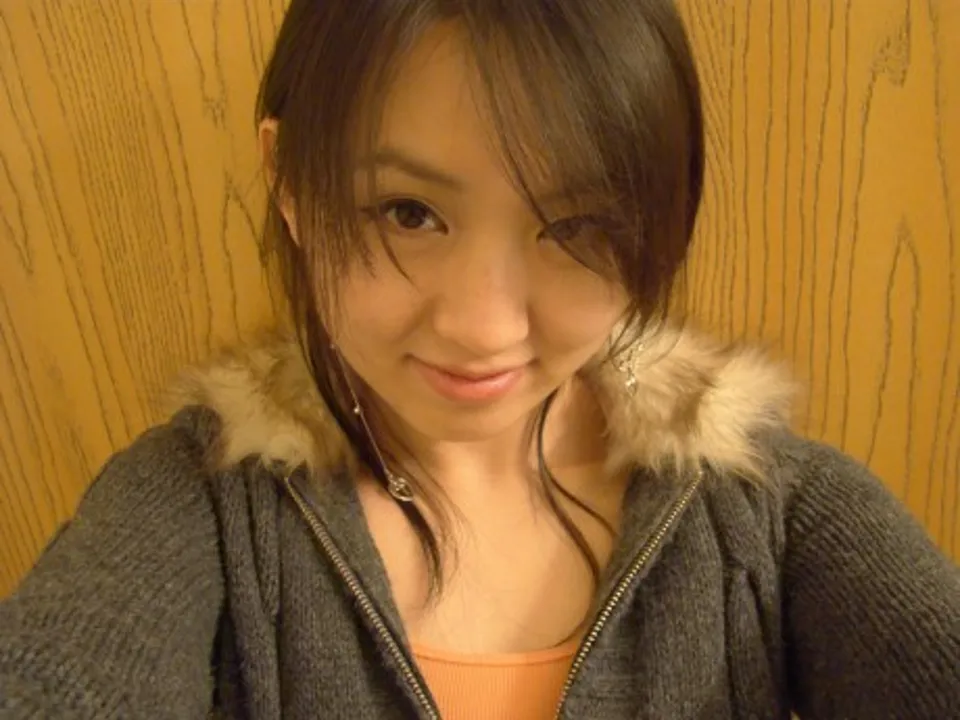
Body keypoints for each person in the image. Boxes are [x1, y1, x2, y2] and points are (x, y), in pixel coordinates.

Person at [1, 0, 958, 717]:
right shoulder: (200, 507)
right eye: (408, 213)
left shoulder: (764, 512)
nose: (483, 328)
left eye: (575, 226)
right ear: (289, 183)